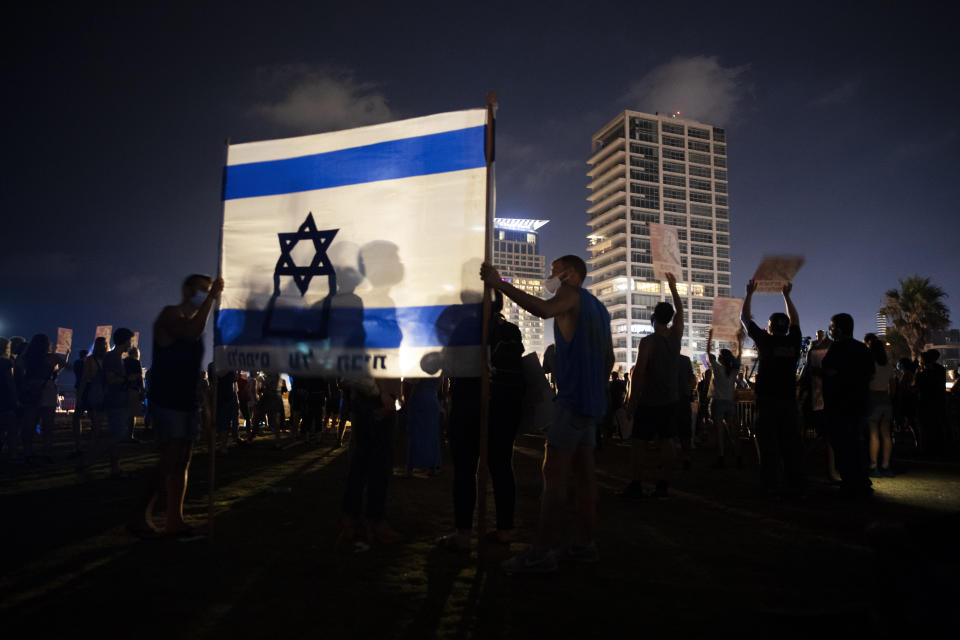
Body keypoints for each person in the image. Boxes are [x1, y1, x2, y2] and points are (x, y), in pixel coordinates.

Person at [481, 255, 613, 573]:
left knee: (553, 477)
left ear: (569, 274)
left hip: (571, 403)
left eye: (552, 272)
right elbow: (608, 359)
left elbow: (542, 310)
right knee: (584, 478)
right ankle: (584, 544)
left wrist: (500, 285)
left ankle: (542, 550)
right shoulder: (600, 309)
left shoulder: (569, 294)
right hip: (592, 404)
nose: (549, 277)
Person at [128, 273, 223, 538]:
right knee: (169, 458)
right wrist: (212, 299)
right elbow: (191, 333)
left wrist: (204, 404)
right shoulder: (170, 315)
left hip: (186, 400)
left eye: (209, 291)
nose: (206, 294)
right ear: (187, 289)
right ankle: (140, 514)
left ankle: (174, 520)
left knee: (182, 459)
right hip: (167, 398)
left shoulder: (196, 324)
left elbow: (195, 371)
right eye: (203, 290)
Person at [437, 293, 525, 551]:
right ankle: (505, 529)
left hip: (467, 402)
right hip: (504, 405)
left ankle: (463, 533)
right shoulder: (510, 330)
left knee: (465, 470)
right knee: (502, 466)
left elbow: (446, 365)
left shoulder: (462, 329)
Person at [622, 272, 684, 499]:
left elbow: (638, 374)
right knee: (667, 442)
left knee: (639, 443)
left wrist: (631, 402)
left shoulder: (647, 342)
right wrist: (674, 288)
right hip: (671, 399)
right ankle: (663, 486)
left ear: (653, 318)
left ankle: (636, 483)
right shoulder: (676, 337)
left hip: (649, 400)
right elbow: (681, 313)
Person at [741, 280, 805, 497]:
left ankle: (770, 485)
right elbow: (795, 320)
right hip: (788, 401)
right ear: (787, 328)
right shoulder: (794, 341)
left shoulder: (765, 342)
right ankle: (794, 484)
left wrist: (749, 294)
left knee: (768, 446)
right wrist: (786, 296)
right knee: (790, 445)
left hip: (767, 402)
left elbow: (745, 319)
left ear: (768, 327)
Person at [821, 313, 874, 497]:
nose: (831, 330)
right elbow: (870, 374)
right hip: (859, 405)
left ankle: (850, 483)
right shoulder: (863, 349)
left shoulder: (837, 348)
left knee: (843, 446)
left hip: (839, 406)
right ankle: (862, 481)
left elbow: (827, 371)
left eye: (832, 327)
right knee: (858, 444)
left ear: (839, 329)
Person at [79, 328, 135, 476]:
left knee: (114, 436)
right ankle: (87, 462)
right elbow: (111, 379)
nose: (131, 343)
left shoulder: (115, 357)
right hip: (115, 400)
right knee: (117, 435)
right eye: (129, 340)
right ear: (124, 341)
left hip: (116, 399)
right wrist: (127, 379)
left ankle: (115, 468)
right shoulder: (113, 357)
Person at [19, 333, 68, 463]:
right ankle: (47, 451)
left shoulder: (27, 357)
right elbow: (68, 367)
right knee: (48, 424)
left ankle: (27, 451)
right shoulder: (52, 358)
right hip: (47, 389)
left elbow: (20, 372)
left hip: (31, 389)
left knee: (30, 423)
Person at [803, 330, 840, 482]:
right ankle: (831, 470)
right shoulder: (828, 353)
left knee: (825, 437)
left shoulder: (812, 354)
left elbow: (805, 376)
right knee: (829, 438)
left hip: (817, 401)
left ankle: (827, 469)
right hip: (829, 401)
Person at [706, 328, 744, 469]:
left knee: (720, 432)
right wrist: (739, 341)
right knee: (734, 432)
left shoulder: (717, 368)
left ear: (720, 359)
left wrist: (709, 337)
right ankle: (738, 457)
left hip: (718, 403)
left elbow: (708, 354)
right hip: (730, 403)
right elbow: (739, 355)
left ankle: (721, 457)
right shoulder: (734, 371)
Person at [863, 334, 895, 477]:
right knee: (886, 435)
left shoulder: (870, 365)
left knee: (874, 434)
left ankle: (873, 465)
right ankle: (886, 465)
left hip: (873, 398)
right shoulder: (888, 366)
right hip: (886, 400)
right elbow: (893, 386)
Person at [915, 349, 947, 456]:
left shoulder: (921, 374)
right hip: (938, 402)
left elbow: (917, 388)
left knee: (925, 427)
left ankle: (926, 449)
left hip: (925, 402)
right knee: (937, 426)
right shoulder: (941, 370)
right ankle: (939, 448)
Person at [0, 338, 18, 464]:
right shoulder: (7, 363)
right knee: (12, 429)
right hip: (6, 399)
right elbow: (10, 382)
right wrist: (15, 399)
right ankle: (12, 454)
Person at [70, 349, 88, 458]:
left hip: (80, 390)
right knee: (94, 416)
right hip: (89, 390)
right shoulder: (88, 363)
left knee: (77, 417)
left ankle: (78, 444)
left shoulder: (77, 363)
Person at [125, 346, 145, 442]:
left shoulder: (123, 361)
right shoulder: (136, 363)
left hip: (123, 390)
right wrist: (142, 390)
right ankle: (130, 435)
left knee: (124, 413)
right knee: (132, 415)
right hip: (133, 390)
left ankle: (123, 434)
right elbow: (140, 378)